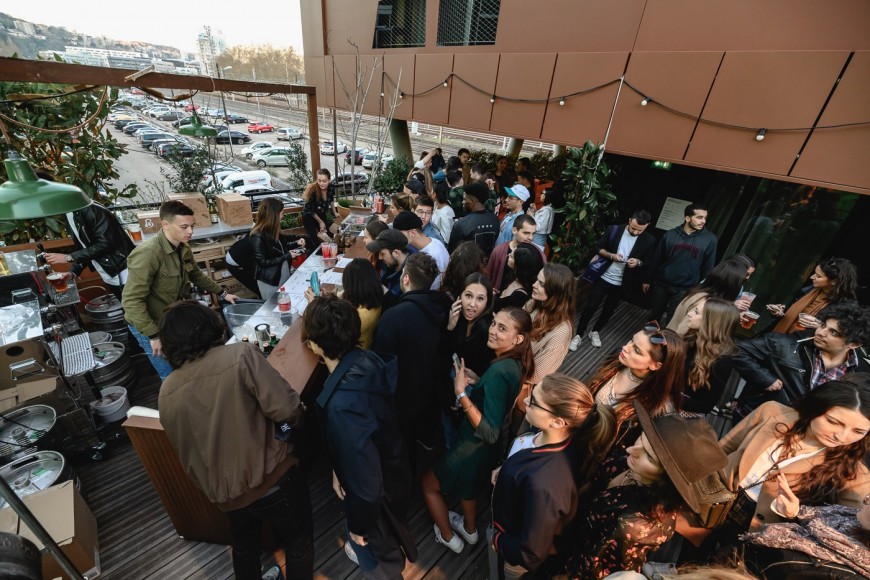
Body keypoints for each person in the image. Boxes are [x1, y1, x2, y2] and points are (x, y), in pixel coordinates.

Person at [157, 301, 312, 580]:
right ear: (208, 325)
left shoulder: (166, 391)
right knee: (297, 543)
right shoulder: (240, 355)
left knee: (244, 547)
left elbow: (186, 452)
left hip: (226, 495)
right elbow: (288, 409)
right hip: (273, 479)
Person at [301, 296, 418, 578]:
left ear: (317, 345)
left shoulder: (342, 407)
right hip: (394, 472)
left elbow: (367, 491)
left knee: (381, 565)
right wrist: (337, 470)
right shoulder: (369, 359)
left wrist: (357, 527)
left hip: (375, 504)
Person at [704, 376, 870, 550]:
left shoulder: (853, 471)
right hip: (714, 497)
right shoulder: (772, 412)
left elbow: (854, 524)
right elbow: (723, 450)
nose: (841, 436)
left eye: (858, 431)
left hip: (759, 530)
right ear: (816, 407)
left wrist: (798, 513)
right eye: (833, 422)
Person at [565, 403, 729, 579]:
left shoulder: (640, 525)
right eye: (641, 439)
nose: (631, 450)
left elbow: (599, 566)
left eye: (650, 457)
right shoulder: (629, 464)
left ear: (667, 478)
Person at [422, 307, 535, 554]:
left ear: (518, 339)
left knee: (428, 485)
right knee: (469, 487)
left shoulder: (499, 371)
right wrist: (479, 380)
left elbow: (490, 432)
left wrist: (461, 392)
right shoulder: (514, 364)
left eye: (502, 328)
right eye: (494, 323)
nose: (492, 330)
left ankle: (448, 537)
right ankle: (470, 530)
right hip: (484, 451)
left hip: (472, 444)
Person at [489, 375, 617, 579]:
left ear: (557, 422)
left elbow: (530, 553)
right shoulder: (556, 436)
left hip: (510, 549)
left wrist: (497, 541)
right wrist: (505, 470)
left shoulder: (546, 484)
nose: (525, 400)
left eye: (534, 401)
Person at [122, 200, 237, 380]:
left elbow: (197, 275)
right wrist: (153, 336)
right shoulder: (148, 253)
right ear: (165, 224)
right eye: (184, 227)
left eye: (192, 226)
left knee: (184, 365)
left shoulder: (183, 247)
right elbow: (131, 301)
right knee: (170, 375)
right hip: (148, 324)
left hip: (170, 319)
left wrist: (223, 293)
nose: (190, 232)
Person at [371, 252, 451, 452]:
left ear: (406, 279)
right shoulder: (442, 305)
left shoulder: (393, 317)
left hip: (402, 400)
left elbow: (381, 367)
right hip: (428, 395)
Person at [732, 302, 870, 413]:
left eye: (833, 333)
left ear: (854, 344)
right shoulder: (788, 344)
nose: (820, 333)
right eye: (823, 325)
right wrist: (764, 378)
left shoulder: (862, 372)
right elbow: (736, 349)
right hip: (760, 419)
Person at [587, 323, 686, 449]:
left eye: (637, 350)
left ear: (655, 365)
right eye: (632, 340)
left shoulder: (655, 407)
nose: (625, 347)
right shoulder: (616, 360)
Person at [571, 211, 656, 350]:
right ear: (630, 220)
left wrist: (638, 262)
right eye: (633, 228)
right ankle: (579, 334)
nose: (635, 232)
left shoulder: (649, 240)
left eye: (640, 230)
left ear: (647, 225)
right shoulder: (614, 230)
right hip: (603, 277)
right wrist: (612, 256)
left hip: (623, 282)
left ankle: (595, 331)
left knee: (609, 310)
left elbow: (649, 262)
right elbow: (598, 248)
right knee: (590, 306)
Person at [43, 199, 135, 301]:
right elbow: (84, 247)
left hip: (124, 271)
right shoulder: (69, 213)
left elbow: (106, 243)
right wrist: (72, 272)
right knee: (128, 308)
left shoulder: (91, 209)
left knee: (136, 308)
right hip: (109, 275)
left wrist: (69, 257)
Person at [648, 203, 718, 324]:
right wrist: (647, 279)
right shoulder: (670, 234)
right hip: (661, 284)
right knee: (654, 317)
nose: (703, 221)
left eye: (705, 218)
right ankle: (648, 336)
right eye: (699, 217)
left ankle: (666, 337)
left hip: (685, 289)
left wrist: (701, 290)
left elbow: (708, 267)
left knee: (674, 321)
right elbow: (657, 258)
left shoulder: (710, 239)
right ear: (687, 218)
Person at [519, 264, 576, 402]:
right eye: (536, 280)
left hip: (518, 383)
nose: (534, 285)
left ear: (556, 292)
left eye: (541, 284)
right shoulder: (534, 303)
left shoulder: (561, 331)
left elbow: (537, 375)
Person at [681, 297, 741, 416]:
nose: (689, 314)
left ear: (711, 322)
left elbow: (704, 406)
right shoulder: (693, 337)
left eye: (696, 312)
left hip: (681, 414)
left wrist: (667, 396)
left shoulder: (722, 361)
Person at [770, 257, 859, 334]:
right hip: (776, 336)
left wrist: (820, 326)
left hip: (799, 345)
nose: (812, 277)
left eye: (818, 276)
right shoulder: (809, 290)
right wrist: (780, 312)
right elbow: (795, 314)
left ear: (834, 281)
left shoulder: (844, 307)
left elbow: (842, 335)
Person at [666, 257, 750, 334]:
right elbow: (682, 331)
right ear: (731, 285)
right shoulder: (704, 302)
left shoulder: (700, 292)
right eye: (741, 283)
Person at [444, 272, 496, 387]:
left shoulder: (485, 328)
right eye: (468, 296)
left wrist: (479, 380)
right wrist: (450, 326)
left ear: (487, 302)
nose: (472, 304)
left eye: (480, 299)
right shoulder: (457, 316)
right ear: (460, 296)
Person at [249, 198, 306, 300]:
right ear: (274, 215)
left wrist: (296, 243)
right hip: (270, 280)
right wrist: (287, 256)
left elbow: (281, 246)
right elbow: (262, 262)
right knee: (274, 304)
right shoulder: (257, 236)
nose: (282, 216)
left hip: (282, 271)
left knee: (285, 301)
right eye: (281, 213)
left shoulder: (272, 229)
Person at [392, 211, 449, 289]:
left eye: (399, 234)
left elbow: (432, 288)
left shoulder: (432, 255)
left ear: (413, 233)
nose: (397, 238)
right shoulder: (433, 241)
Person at [487, 214, 544, 292]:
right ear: (514, 230)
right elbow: (489, 275)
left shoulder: (537, 254)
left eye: (533, 233)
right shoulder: (499, 251)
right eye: (526, 233)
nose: (530, 237)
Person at [447, 181, 500, 257]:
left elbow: (453, 253)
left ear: (473, 201)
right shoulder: (495, 219)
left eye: (465, 199)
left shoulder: (461, 225)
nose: (462, 202)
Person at [340, 258, 383, 349]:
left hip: (351, 352)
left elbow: (330, 336)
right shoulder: (374, 298)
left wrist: (314, 306)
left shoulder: (358, 316)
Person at [493, 243, 544, 312]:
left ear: (518, 265)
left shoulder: (520, 296)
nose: (508, 255)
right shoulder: (512, 276)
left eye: (511, 257)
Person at [365, 228, 410, 304]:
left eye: (382, 254)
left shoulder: (408, 279)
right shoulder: (390, 264)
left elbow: (395, 304)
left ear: (396, 253)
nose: (380, 258)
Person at [301, 168, 337, 243]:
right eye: (319, 180)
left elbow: (331, 199)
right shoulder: (313, 191)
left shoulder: (331, 187)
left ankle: (328, 247)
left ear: (329, 180)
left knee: (327, 234)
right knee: (313, 239)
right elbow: (310, 210)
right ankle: (314, 248)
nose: (321, 183)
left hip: (321, 213)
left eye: (324, 181)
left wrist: (335, 212)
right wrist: (320, 222)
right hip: (309, 216)